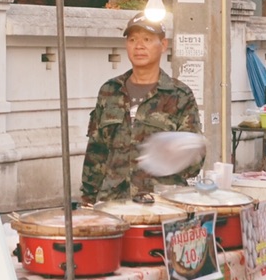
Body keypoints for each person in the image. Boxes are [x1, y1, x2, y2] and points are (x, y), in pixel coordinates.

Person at [82, 15, 201, 202]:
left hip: (162, 203)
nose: (138, 46)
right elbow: (96, 151)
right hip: (113, 202)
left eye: (146, 39)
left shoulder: (179, 95)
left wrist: (170, 154)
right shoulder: (110, 91)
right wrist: (88, 199)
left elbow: (194, 160)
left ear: (163, 45)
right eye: (132, 40)